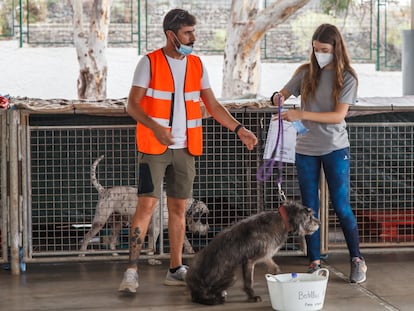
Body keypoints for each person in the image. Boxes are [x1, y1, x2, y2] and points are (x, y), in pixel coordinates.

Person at [118, 8, 258, 293]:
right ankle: (131, 270)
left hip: (186, 148)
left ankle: (175, 268)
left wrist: (238, 129)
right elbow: (132, 105)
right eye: (188, 33)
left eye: (193, 32)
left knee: (179, 208)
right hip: (154, 148)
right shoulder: (149, 63)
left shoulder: (196, 64)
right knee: (146, 205)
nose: (193, 38)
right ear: (171, 35)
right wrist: (156, 128)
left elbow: (214, 105)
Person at [270, 23, 367, 283]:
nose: (319, 54)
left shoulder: (348, 77)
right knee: (309, 207)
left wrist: (302, 113)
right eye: (315, 50)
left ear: (336, 49)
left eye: (324, 50)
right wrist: (278, 97)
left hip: (335, 148)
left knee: (341, 205)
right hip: (306, 149)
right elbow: (282, 93)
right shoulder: (305, 72)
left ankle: (357, 259)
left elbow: (338, 116)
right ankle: (314, 260)